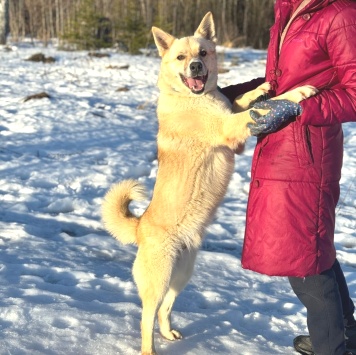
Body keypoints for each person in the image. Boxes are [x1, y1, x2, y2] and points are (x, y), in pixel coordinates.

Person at [220, 0, 356, 354]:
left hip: (307, 149)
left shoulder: (338, 13)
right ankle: (343, 335)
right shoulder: (290, 10)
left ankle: (332, 347)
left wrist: (298, 108)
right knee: (312, 246)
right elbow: (278, 82)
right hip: (281, 146)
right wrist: (223, 96)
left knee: (303, 258)